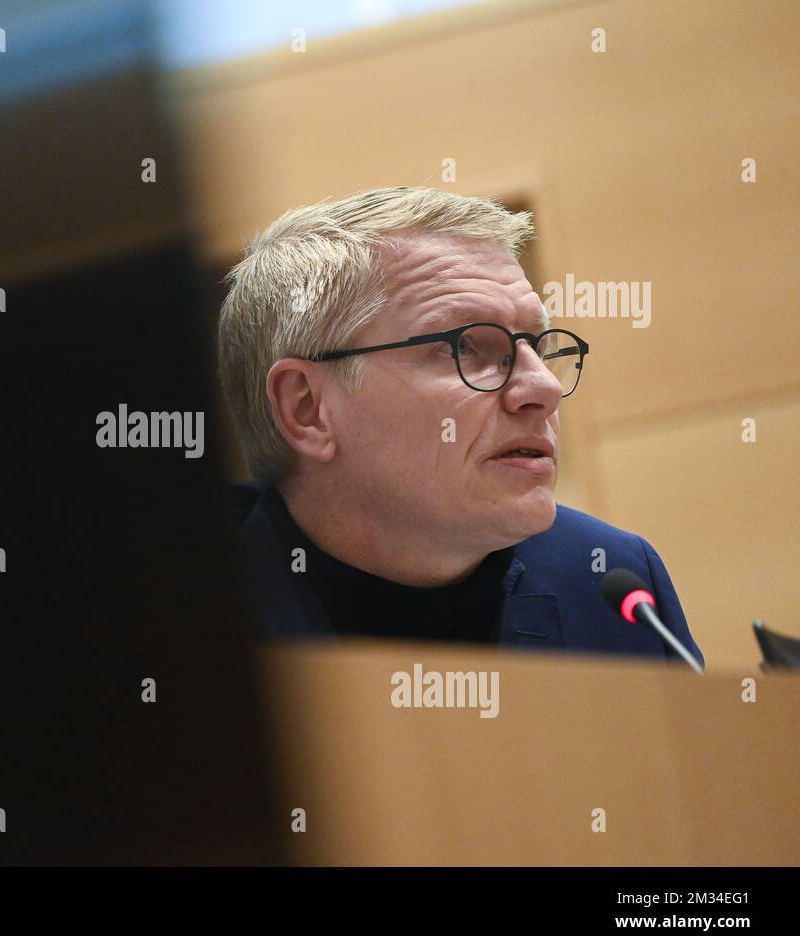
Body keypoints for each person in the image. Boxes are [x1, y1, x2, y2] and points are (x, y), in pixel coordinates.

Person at [218, 186, 703, 666]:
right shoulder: (171, 620)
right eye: (462, 347)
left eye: (535, 343)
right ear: (308, 409)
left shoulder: (614, 582)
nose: (543, 388)